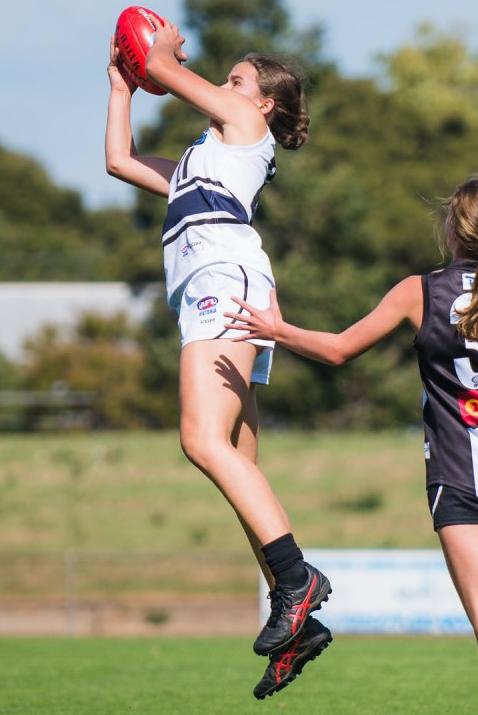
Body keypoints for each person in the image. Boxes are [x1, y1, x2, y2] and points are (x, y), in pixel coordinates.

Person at [225, 174, 478, 715]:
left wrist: (277, 329)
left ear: (452, 228)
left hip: (462, 473)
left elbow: (341, 349)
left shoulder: (421, 290)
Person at [105, 16, 331, 697]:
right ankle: (297, 619)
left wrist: (162, 56)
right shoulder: (204, 160)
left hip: (221, 282)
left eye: (235, 78)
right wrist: (121, 85)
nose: (223, 85)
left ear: (262, 102)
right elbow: (119, 160)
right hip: (221, 287)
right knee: (238, 458)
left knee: (200, 439)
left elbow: (170, 74)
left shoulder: (244, 124)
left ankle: (298, 580)